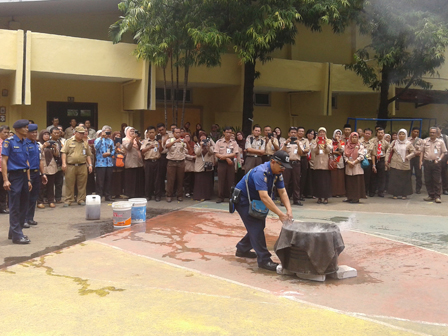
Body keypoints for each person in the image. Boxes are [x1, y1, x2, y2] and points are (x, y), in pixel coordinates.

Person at [233, 150, 292, 271]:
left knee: (258, 226)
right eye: (282, 166)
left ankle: (242, 249)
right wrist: (280, 214)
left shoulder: (277, 173)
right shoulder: (260, 172)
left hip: (256, 199)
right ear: (273, 162)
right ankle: (264, 260)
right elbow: (264, 197)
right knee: (256, 227)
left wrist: (289, 211)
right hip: (243, 200)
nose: (283, 169)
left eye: (285, 167)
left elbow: (282, 191)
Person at [2, 120, 33, 244]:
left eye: (27, 127)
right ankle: (17, 236)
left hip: (24, 175)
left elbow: (27, 162)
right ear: (17, 129)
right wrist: (5, 180)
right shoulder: (9, 142)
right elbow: (4, 161)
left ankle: (14, 231)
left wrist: (29, 179)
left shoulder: (25, 142)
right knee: (15, 206)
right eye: (25, 128)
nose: (27, 129)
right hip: (14, 176)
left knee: (24, 205)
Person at [61, 126, 93, 207]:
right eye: (80, 133)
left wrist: (90, 164)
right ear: (75, 133)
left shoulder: (85, 143)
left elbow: (88, 155)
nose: (82, 135)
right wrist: (64, 163)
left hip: (82, 166)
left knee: (82, 184)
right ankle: (68, 200)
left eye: (83, 133)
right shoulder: (68, 141)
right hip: (70, 166)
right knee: (69, 183)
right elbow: (64, 152)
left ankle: (81, 199)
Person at [25, 124, 47, 226]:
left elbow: (40, 160)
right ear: (27, 133)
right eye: (32, 132)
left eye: (35, 132)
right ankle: (24, 219)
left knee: (34, 197)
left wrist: (43, 173)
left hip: (36, 173)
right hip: (26, 174)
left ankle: (30, 218)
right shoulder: (24, 144)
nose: (34, 134)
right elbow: (25, 161)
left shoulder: (37, 145)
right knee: (26, 197)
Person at [420, 127, 447, 203]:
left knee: (437, 180)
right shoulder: (425, 141)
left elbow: (444, 152)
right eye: (431, 132)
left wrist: (439, 159)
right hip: (427, 162)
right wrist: (420, 161)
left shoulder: (440, 142)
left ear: (437, 133)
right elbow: (422, 151)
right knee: (428, 179)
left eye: (433, 132)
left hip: (436, 163)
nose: (432, 134)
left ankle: (437, 196)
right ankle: (430, 195)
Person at [386, 129, 415, 200]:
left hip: (404, 164)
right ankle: (395, 194)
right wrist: (386, 161)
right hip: (395, 163)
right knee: (395, 179)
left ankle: (404, 194)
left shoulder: (408, 143)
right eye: (400, 134)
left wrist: (408, 157)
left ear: (406, 135)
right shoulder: (394, 142)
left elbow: (414, 152)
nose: (401, 136)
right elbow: (388, 151)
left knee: (404, 179)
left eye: (403, 134)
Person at [215, 127, 239, 203]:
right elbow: (216, 153)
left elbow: (235, 153)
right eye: (227, 132)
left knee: (231, 180)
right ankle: (220, 197)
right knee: (221, 180)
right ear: (224, 133)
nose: (229, 134)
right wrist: (226, 158)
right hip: (221, 163)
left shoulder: (234, 142)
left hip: (230, 164)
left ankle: (231, 197)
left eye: (230, 133)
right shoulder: (219, 142)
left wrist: (225, 157)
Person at [165, 127, 189, 202]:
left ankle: (180, 195)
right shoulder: (170, 140)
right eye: (176, 132)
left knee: (180, 179)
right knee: (170, 180)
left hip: (180, 162)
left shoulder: (182, 141)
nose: (178, 134)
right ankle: (169, 195)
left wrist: (186, 142)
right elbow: (166, 146)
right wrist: (175, 142)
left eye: (179, 132)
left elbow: (188, 150)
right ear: (173, 133)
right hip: (171, 162)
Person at [281, 127, 303, 206]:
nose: (293, 134)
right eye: (292, 132)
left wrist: (298, 145)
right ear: (288, 134)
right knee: (285, 182)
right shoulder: (285, 142)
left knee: (296, 182)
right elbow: (282, 152)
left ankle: (296, 200)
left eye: (294, 132)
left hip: (296, 163)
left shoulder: (299, 142)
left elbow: (301, 153)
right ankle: (284, 200)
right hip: (287, 162)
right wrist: (286, 143)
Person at [37, 130, 59, 208]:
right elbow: (37, 153)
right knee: (41, 185)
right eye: (44, 134)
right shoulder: (38, 144)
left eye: (47, 134)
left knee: (51, 185)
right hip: (42, 166)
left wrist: (55, 148)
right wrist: (43, 147)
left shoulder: (52, 143)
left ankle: (51, 201)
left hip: (51, 166)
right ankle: (40, 201)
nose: (46, 136)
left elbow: (56, 155)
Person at [310, 127, 332, 204]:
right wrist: (316, 143)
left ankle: (326, 198)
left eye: (323, 132)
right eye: (320, 132)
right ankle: (319, 197)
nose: (322, 133)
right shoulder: (314, 141)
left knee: (326, 182)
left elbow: (329, 151)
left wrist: (325, 144)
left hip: (326, 164)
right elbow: (313, 151)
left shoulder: (329, 141)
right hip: (317, 164)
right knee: (318, 181)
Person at [140, 126, 161, 201]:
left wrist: (160, 144)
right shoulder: (144, 141)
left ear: (155, 133)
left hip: (156, 161)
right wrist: (149, 147)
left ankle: (157, 195)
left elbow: (161, 150)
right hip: (148, 162)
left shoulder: (158, 141)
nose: (151, 134)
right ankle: (148, 195)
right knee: (148, 179)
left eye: (153, 132)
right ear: (147, 133)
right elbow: (142, 151)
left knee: (157, 180)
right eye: (150, 132)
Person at [343, 132, 365, 203]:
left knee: (356, 183)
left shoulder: (360, 146)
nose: (354, 139)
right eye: (353, 137)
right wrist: (348, 162)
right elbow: (344, 155)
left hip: (357, 166)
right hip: (349, 166)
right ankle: (349, 197)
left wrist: (354, 162)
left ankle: (356, 198)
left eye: (356, 137)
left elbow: (362, 156)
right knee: (349, 183)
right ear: (350, 138)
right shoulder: (347, 146)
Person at [94, 126, 115, 201]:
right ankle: (99, 196)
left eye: (109, 132)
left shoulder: (111, 141)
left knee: (108, 180)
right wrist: (101, 138)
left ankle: (108, 195)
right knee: (100, 181)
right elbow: (96, 147)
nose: (108, 134)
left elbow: (113, 150)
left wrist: (109, 154)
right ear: (103, 132)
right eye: (107, 132)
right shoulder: (97, 140)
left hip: (109, 163)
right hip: (100, 164)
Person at [122, 126, 144, 198]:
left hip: (138, 162)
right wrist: (132, 139)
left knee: (138, 178)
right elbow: (128, 147)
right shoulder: (125, 139)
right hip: (130, 161)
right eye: (131, 131)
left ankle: (138, 193)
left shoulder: (136, 140)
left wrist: (137, 140)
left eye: (134, 131)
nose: (133, 132)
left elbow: (141, 147)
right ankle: (130, 194)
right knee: (131, 179)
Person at [193, 131, 215, 201]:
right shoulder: (197, 145)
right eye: (201, 136)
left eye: (204, 136)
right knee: (199, 182)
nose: (203, 137)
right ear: (199, 138)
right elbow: (197, 153)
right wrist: (201, 146)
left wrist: (208, 146)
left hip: (207, 165)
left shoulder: (209, 144)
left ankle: (207, 196)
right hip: (200, 165)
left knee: (207, 182)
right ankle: (199, 196)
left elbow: (212, 152)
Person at [371, 127, 390, 197]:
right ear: (377, 133)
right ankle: (372, 191)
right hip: (374, 158)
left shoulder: (386, 143)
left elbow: (388, 152)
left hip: (382, 159)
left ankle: (380, 191)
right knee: (373, 176)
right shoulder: (372, 141)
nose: (380, 134)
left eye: (382, 133)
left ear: (383, 134)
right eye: (379, 133)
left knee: (382, 177)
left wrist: (386, 161)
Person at [157, 123, 171, 196]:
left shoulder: (170, 134)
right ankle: (162, 190)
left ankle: (171, 191)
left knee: (170, 175)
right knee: (161, 174)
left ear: (165, 128)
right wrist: (163, 142)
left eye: (162, 129)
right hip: (162, 156)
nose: (161, 131)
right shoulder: (158, 137)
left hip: (170, 156)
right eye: (159, 130)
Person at [330, 129, 346, 198]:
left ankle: (339, 192)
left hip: (339, 161)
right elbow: (329, 150)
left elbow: (341, 150)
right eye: (337, 134)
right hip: (332, 161)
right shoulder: (330, 142)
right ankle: (332, 192)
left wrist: (338, 141)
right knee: (332, 177)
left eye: (339, 134)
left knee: (339, 177)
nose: (338, 135)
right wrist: (336, 152)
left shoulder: (342, 142)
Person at [408, 127, 423, 194]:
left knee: (418, 174)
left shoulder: (420, 140)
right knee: (408, 173)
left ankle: (418, 188)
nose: (416, 133)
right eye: (415, 131)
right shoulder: (407, 139)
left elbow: (421, 151)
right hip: (409, 158)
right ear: (412, 131)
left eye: (417, 132)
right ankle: (409, 188)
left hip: (417, 158)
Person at [297, 126, 310, 201]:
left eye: (302, 131)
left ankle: (300, 194)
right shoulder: (294, 140)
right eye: (299, 131)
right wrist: (302, 150)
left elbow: (307, 150)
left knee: (303, 177)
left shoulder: (306, 140)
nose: (301, 132)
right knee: (295, 177)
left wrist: (301, 151)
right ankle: (294, 194)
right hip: (295, 159)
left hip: (303, 159)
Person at [361, 128, 375, 196]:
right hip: (360, 160)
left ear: (371, 135)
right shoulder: (359, 142)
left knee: (367, 178)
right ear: (363, 133)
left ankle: (365, 192)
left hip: (368, 161)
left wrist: (374, 165)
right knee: (360, 177)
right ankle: (359, 192)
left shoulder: (372, 144)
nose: (367, 135)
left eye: (369, 134)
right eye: (366, 133)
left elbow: (373, 155)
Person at [0, 125, 10, 213]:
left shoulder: (7, 143)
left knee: (3, 190)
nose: (6, 134)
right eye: (4, 132)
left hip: (5, 169)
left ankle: (2, 207)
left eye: (7, 132)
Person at [436, 125, 448, 195]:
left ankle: (445, 189)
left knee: (444, 174)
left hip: (444, 158)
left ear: (441, 130)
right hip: (435, 158)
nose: (436, 131)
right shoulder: (432, 138)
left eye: (438, 129)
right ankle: (436, 190)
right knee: (435, 175)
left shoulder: (445, 138)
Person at [304, 129, 316, 198]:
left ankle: (312, 193)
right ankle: (305, 193)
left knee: (312, 178)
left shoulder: (315, 142)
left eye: (312, 134)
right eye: (309, 133)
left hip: (312, 161)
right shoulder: (304, 141)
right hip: (304, 160)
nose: (310, 135)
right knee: (305, 177)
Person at [183, 133, 196, 198]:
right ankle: (187, 191)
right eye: (186, 137)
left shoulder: (193, 143)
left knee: (193, 178)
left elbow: (195, 151)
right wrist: (192, 157)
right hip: (187, 163)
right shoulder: (183, 144)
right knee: (187, 178)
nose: (187, 138)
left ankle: (192, 190)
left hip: (194, 163)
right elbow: (183, 154)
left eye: (188, 136)